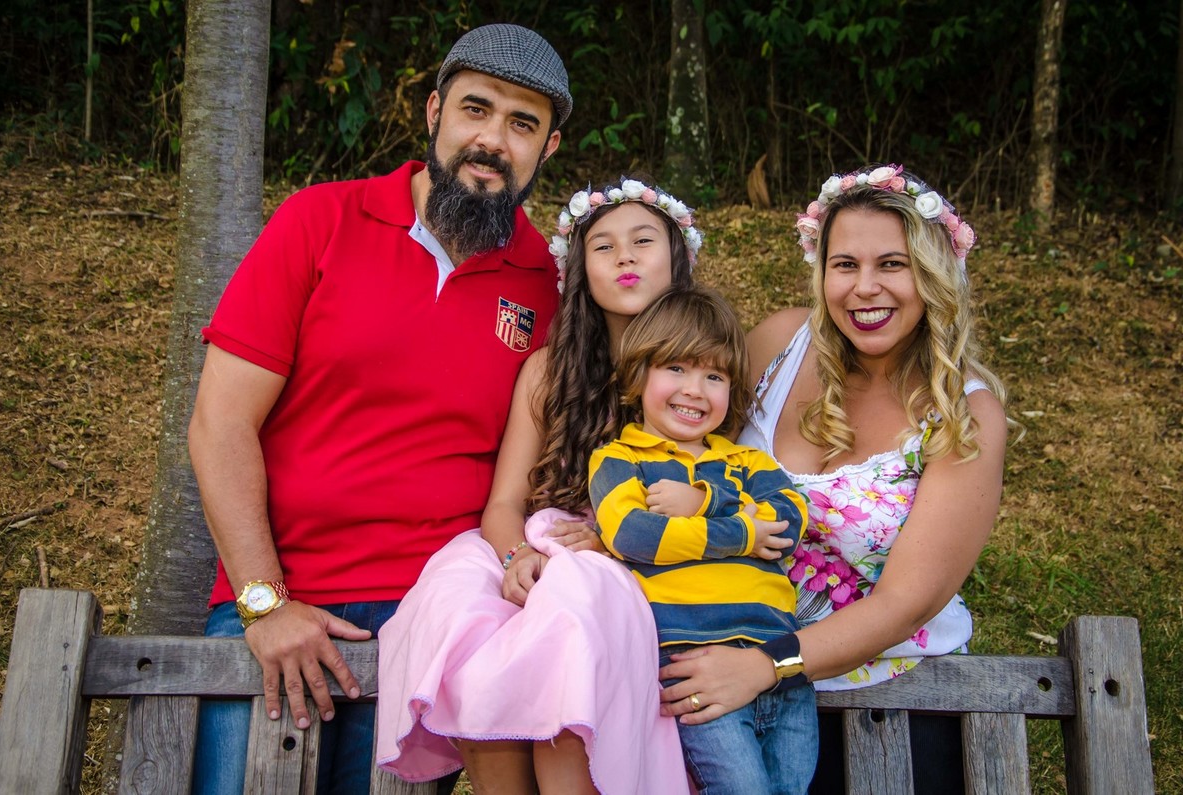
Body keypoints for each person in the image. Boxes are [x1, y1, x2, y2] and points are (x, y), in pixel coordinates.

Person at [186, 23, 571, 794]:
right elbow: (220, 422)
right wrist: (265, 603)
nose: (492, 140)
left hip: (433, 619)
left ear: (547, 148)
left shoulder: (547, 281)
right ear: (434, 112)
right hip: (282, 598)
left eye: (522, 123)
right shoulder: (321, 220)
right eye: (476, 108)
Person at [376, 181, 777, 795]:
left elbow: (730, 489)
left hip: (644, 564)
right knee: (460, 598)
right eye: (603, 247)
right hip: (541, 546)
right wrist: (518, 556)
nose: (624, 257)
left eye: (643, 241)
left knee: (575, 604)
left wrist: (613, 543)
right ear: (580, 271)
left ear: (678, 260)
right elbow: (504, 504)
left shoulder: (703, 377)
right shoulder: (550, 371)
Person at [658, 164, 1015, 794]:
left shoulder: (964, 415)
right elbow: (683, 438)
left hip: (890, 704)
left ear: (934, 274)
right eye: (845, 264)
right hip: (725, 681)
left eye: (893, 265)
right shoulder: (778, 345)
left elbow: (906, 604)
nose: (864, 288)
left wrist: (764, 667)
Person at [589, 286, 817, 794]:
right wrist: (744, 531)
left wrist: (703, 503)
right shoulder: (620, 461)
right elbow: (635, 535)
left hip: (779, 661)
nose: (695, 390)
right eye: (676, 368)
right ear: (637, 375)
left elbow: (787, 522)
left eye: (714, 376)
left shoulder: (746, 460)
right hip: (694, 660)